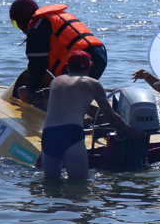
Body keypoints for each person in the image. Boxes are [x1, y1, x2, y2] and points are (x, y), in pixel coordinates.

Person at [41, 51, 146, 180]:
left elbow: (60, 109)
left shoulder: (55, 82)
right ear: (89, 69)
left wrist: (82, 118)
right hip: (71, 133)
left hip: (48, 135)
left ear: (67, 67)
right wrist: (132, 131)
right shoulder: (93, 83)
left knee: (51, 187)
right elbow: (112, 118)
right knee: (79, 187)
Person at [9, 0, 107, 102]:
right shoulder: (55, 17)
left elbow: (37, 65)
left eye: (16, 24)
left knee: (68, 102)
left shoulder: (36, 27)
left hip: (80, 61)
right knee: (75, 94)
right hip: (100, 55)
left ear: (21, 21)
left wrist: (28, 89)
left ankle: (76, 116)